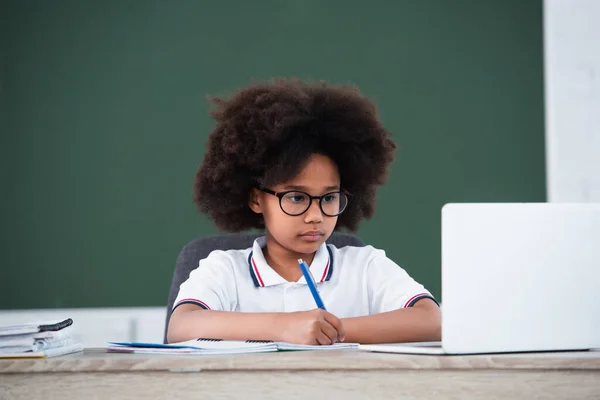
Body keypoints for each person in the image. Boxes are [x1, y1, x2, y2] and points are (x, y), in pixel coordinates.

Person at [168, 79, 441, 345]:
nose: (316, 216)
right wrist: (284, 327)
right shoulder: (224, 270)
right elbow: (181, 326)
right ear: (255, 199)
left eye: (329, 197)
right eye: (297, 197)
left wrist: (330, 330)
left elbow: (433, 321)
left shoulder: (363, 266)